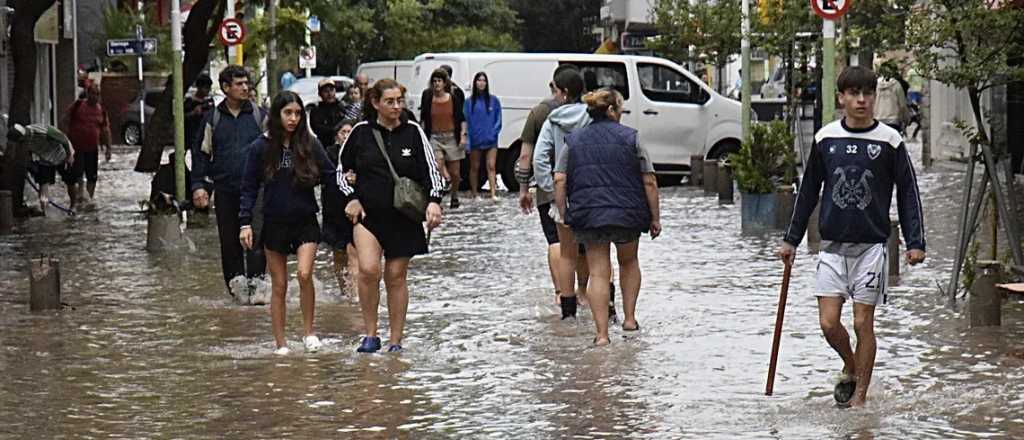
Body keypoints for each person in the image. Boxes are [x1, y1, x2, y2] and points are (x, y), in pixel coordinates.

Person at [778, 66, 926, 408]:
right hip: (832, 246)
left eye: (868, 94)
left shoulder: (890, 141)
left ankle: (859, 401)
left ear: (874, 97)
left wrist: (915, 242)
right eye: (855, 94)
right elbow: (808, 192)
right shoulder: (825, 139)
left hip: (873, 247)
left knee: (862, 322)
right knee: (829, 324)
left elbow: (908, 192)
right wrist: (791, 239)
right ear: (841, 98)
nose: (862, 100)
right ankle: (850, 363)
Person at [337, 79, 443, 353]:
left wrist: (434, 202)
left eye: (400, 101)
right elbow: (340, 170)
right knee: (369, 269)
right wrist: (352, 197)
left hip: (404, 216)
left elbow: (431, 172)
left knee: (396, 276)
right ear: (375, 103)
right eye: (390, 101)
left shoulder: (413, 132)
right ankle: (371, 334)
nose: (396, 107)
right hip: (368, 215)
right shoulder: (360, 133)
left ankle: (396, 340)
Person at [554, 88, 661, 345]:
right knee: (629, 262)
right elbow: (649, 181)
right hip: (627, 213)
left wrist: (564, 212)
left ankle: (601, 335)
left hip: (589, 214)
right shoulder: (632, 138)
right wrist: (655, 217)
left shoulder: (574, 140)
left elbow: (559, 179)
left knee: (598, 272)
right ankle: (630, 320)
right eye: (621, 109)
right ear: (612, 110)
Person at [240, 91, 334, 355]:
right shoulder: (260, 147)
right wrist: (245, 223)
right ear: (277, 115)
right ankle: (280, 343)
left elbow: (330, 175)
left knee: (304, 274)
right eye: (288, 113)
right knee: (279, 284)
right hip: (274, 222)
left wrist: (349, 187)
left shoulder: (309, 144)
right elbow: (247, 188)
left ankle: (309, 333)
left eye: (297, 113)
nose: (293, 119)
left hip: (305, 219)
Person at [191, 65, 268, 299]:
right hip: (225, 190)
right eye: (239, 84)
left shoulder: (260, 116)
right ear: (226, 88)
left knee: (256, 242)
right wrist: (198, 186)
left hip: (257, 191)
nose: (245, 87)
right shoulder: (212, 118)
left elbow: (277, 149)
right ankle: (237, 295)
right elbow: (200, 153)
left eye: (247, 83)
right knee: (230, 244)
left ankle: (257, 294)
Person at [516, 65, 581, 306]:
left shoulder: (541, 113)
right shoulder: (590, 112)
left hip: (550, 190)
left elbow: (527, 157)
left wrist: (525, 190)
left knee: (557, 242)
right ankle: (589, 294)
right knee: (587, 248)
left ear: (557, 87)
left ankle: (561, 294)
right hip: (585, 188)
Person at [533, 68, 593, 319]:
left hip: (564, 193)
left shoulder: (553, 120)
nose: (554, 95)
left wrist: (550, 187)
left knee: (567, 254)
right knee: (597, 252)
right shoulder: (593, 116)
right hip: (592, 193)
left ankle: (568, 313)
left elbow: (538, 159)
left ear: (564, 92)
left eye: (555, 90)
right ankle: (606, 306)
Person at [322, 119, 360, 296]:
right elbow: (325, 176)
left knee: (353, 252)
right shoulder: (329, 153)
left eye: (350, 132)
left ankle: (355, 295)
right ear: (337, 135)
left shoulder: (360, 154)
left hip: (355, 208)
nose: (347, 135)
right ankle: (344, 290)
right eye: (343, 132)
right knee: (338, 253)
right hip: (333, 209)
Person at [419, 68, 466, 208]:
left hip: (452, 137)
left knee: (456, 172)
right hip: (434, 137)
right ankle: (444, 182)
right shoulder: (427, 97)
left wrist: (463, 136)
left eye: (439, 81)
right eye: (434, 81)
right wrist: (422, 135)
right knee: (437, 165)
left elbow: (461, 118)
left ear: (445, 83)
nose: (437, 84)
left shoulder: (454, 97)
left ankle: (454, 195)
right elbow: (423, 118)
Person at [12, 123, 76, 214]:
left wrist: (69, 156)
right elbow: (27, 153)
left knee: (70, 181)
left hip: (62, 154)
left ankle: (73, 206)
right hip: (45, 158)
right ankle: (44, 211)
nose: (20, 143)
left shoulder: (41, 131)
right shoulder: (22, 141)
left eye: (20, 141)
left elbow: (63, 139)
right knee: (43, 184)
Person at [64, 84, 112, 203]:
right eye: (93, 93)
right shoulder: (78, 105)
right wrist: (65, 141)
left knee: (92, 176)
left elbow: (106, 130)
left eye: (97, 94)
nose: (95, 96)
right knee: (77, 173)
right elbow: (65, 120)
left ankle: (89, 199)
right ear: (88, 93)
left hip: (92, 148)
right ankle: (78, 196)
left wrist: (108, 148)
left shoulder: (101, 110)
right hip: (76, 147)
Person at [463, 71, 503, 200]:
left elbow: (498, 119)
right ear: (475, 83)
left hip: (491, 140)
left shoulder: (494, 100)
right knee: (475, 167)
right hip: (475, 139)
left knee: (491, 166)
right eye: (479, 80)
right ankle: (474, 192)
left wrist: (494, 133)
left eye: (483, 80)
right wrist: (468, 139)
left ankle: (493, 193)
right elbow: (466, 120)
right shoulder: (469, 102)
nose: (481, 83)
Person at [310, 79, 346, 148]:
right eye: (326, 91)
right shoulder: (316, 111)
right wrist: (334, 130)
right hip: (324, 146)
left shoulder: (342, 107)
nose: (329, 94)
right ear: (320, 94)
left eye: (331, 90)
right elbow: (317, 129)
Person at [184, 74, 215, 151]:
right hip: (193, 135)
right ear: (199, 87)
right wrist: (194, 113)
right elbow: (183, 118)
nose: (207, 90)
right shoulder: (190, 102)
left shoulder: (209, 102)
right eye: (205, 88)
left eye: (209, 88)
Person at [874, 69, 910, 133]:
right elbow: (902, 105)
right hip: (893, 121)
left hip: (878, 121)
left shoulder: (875, 84)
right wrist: (906, 119)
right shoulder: (897, 85)